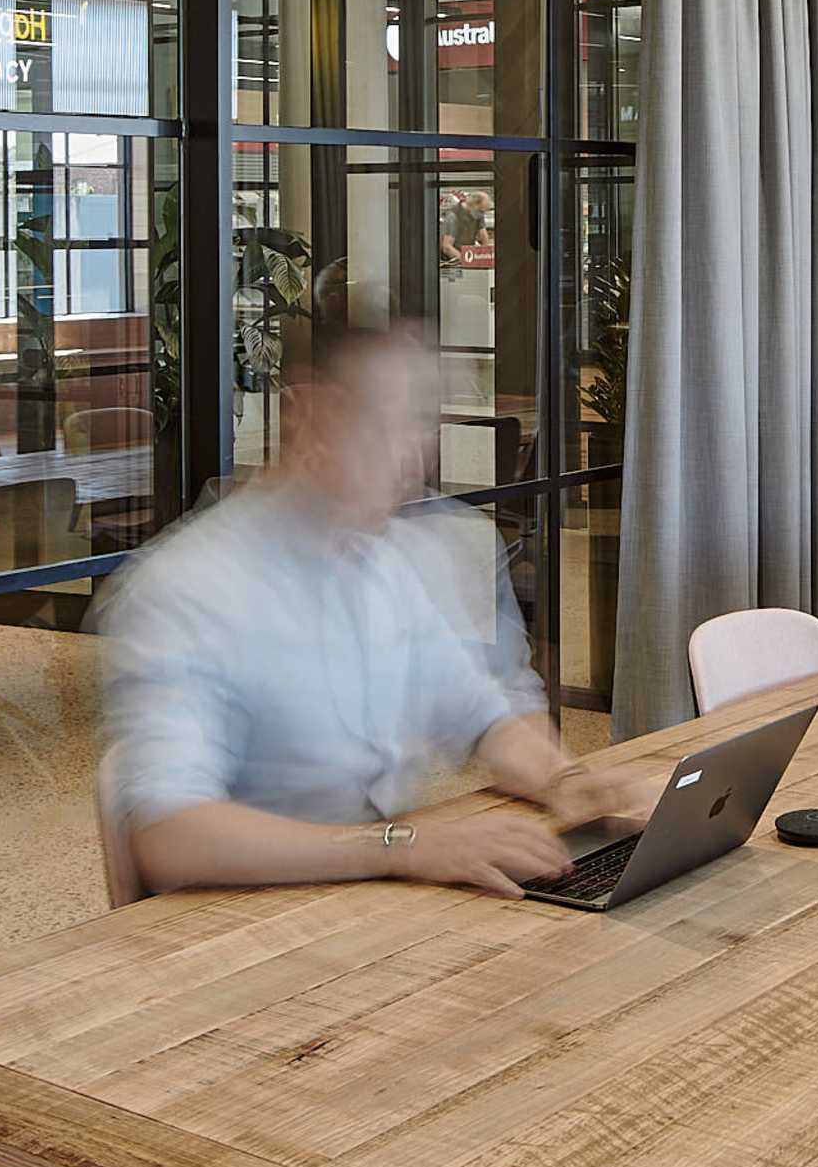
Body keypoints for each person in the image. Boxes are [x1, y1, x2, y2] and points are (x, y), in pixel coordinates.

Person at [102, 315, 645, 896]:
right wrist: (403, 847)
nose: (413, 462)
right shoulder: (188, 588)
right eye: (388, 427)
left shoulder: (380, 564)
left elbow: (480, 716)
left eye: (420, 430)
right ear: (307, 417)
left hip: (361, 904)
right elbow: (170, 836)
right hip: (238, 932)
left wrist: (566, 782)